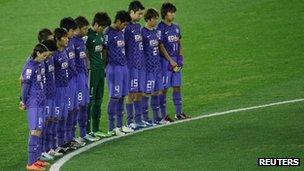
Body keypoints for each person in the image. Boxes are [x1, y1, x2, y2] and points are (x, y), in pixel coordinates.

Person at [20, 43, 51, 170]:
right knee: (35, 131)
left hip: (40, 102)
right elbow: (25, 85)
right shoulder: (30, 67)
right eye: (43, 55)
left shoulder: (39, 64)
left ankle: (36, 159)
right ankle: (30, 163)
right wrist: (23, 101)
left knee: (39, 130)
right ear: (37, 53)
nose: (45, 58)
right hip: (34, 103)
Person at [157, 2, 190, 121]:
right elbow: (160, 46)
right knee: (164, 88)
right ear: (165, 14)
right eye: (171, 12)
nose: (173, 14)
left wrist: (180, 58)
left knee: (177, 85)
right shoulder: (160, 28)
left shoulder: (176, 26)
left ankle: (179, 112)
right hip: (165, 62)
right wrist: (170, 60)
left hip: (176, 60)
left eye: (174, 12)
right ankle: (163, 115)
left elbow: (179, 42)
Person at [104, 10, 133, 135]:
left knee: (122, 95)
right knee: (114, 96)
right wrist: (105, 67)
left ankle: (120, 125)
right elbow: (104, 51)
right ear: (119, 21)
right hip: (113, 68)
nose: (124, 27)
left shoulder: (121, 32)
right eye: (124, 24)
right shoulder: (108, 32)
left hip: (123, 67)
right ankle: (111, 127)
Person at [124, 1, 151, 130]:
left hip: (141, 65)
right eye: (139, 14)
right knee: (131, 93)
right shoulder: (126, 28)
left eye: (142, 14)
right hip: (131, 66)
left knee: (140, 91)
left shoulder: (138, 26)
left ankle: (139, 119)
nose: (141, 16)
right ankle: (130, 121)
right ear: (131, 12)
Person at [85, 12, 112, 139]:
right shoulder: (88, 37)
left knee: (99, 100)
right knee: (90, 101)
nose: (103, 29)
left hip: (101, 70)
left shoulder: (101, 34)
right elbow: (85, 54)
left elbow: (103, 49)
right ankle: (88, 131)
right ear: (95, 24)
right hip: (92, 72)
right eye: (101, 27)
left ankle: (96, 129)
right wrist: (89, 66)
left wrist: (103, 65)